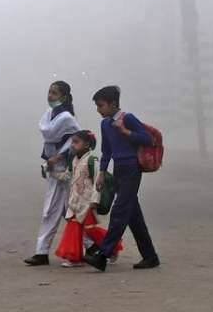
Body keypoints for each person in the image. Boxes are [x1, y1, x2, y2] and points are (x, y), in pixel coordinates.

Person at [83, 86, 160, 271]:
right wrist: (101, 172)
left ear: (113, 104)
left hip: (132, 168)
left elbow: (147, 139)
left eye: (101, 105)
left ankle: (103, 254)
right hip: (118, 169)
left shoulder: (128, 118)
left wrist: (125, 131)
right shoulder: (105, 124)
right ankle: (150, 257)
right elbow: (106, 150)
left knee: (119, 211)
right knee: (133, 216)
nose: (98, 110)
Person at [24, 81, 81, 266]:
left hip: (63, 170)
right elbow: (48, 139)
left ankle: (42, 252)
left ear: (63, 97)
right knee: (69, 212)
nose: (50, 96)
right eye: (49, 92)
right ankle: (96, 245)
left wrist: (59, 157)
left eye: (54, 93)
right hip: (53, 169)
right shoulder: (49, 114)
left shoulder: (66, 118)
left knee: (53, 211)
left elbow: (77, 139)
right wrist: (48, 161)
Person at [53, 130, 123, 267]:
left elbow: (98, 182)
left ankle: (112, 248)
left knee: (90, 229)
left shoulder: (92, 161)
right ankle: (74, 258)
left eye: (76, 142)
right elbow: (68, 177)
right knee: (74, 228)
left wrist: (94, 201)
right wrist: (52, 172)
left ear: (87, 145)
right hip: (75, 203)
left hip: (87, 203)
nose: (72, 145)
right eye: (72, 142)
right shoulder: (74, 160)